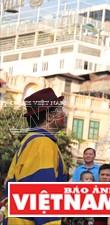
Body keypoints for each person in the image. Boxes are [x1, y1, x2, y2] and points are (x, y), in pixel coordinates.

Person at [4, 87, 68, 225]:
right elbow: (43, 196)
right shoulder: (42, 143)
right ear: (50, 116)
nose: (64, 114)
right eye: (61, 110)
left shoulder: (33, 141)